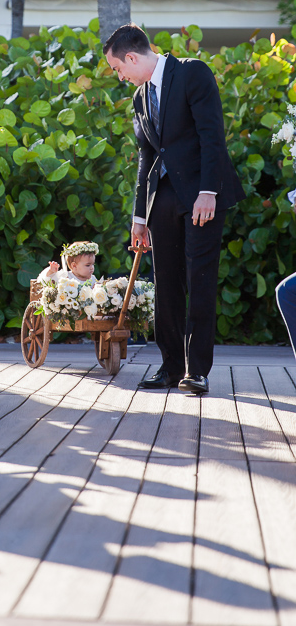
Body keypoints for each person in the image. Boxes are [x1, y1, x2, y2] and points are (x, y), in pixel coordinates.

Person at [104, 23, 245, 394]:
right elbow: (146, 157)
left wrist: (208, 192)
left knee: (199, 278)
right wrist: (139, 217)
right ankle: (170, 368)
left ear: (131, 57)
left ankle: (196, 371)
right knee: (165, 282)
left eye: (118, 68)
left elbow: (212, 136)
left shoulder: (192, 72)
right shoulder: (139, 98)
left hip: (202, 194)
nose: (120, 77)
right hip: (163, 197)